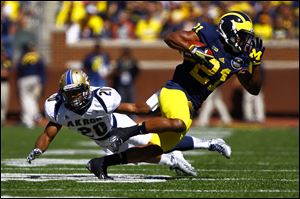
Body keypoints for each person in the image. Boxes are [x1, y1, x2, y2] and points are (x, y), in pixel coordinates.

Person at [87, 11, 265, 179]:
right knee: (178, 123)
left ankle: (101, 163)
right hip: (176, 89)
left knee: (154, 150)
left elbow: (253, 89)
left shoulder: (240, 57)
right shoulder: (210, 35)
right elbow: (171, 37)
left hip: (192, 103)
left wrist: (255, 64)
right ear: (229, 30)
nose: (244, 41)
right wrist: (194, 49)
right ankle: (124, 132)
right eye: (241, 35)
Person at [26, 69, 231, 178]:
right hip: (103, 141)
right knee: (138, 156)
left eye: (78, 92)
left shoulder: (101, 99)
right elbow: (49, 132)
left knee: (154, 141)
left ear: (86, 88)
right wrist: (38, 149)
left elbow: (131, 108)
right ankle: (172, 161)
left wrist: (155, 102)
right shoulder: (58, 108)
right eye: (70, 94)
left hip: (119, 126)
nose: (75, 98)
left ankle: (209, 143)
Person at [16, 42, 46, 128]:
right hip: (36, 79)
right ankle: (36, 116)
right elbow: (42, 69)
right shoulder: (38, 56)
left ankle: (28, 120)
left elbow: (19, 69)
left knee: (26, 99)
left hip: (24, 79)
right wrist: (43, 82)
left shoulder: (23, 56)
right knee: (32, 99)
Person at [1, 47, 13, 126]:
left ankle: (2, 119)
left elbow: (5, 74)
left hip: (4, 83)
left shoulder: (6, 62)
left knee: (3, 102)